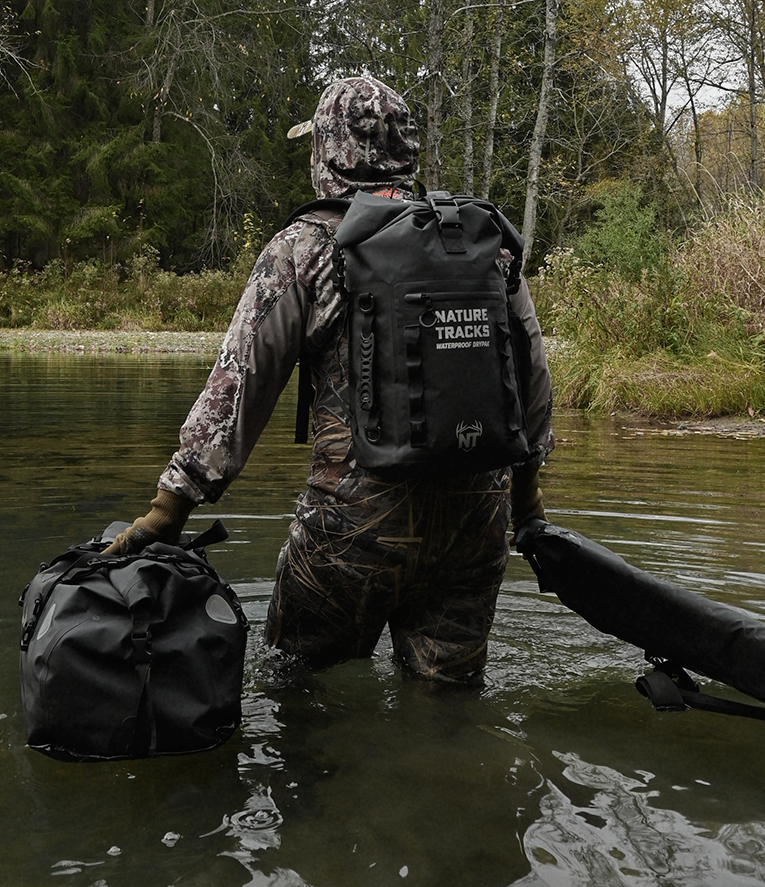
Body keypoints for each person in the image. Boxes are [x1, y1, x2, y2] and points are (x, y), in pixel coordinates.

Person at [105, 75, 554, 683]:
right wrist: (527, 507)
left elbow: (238, 385)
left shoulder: (306, 247)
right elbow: (530, 378)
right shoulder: (480, 241)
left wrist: (169, 509)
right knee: (449, 706)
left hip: (354, 530)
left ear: (327, 152)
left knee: (295, 691)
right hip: (476, 526)